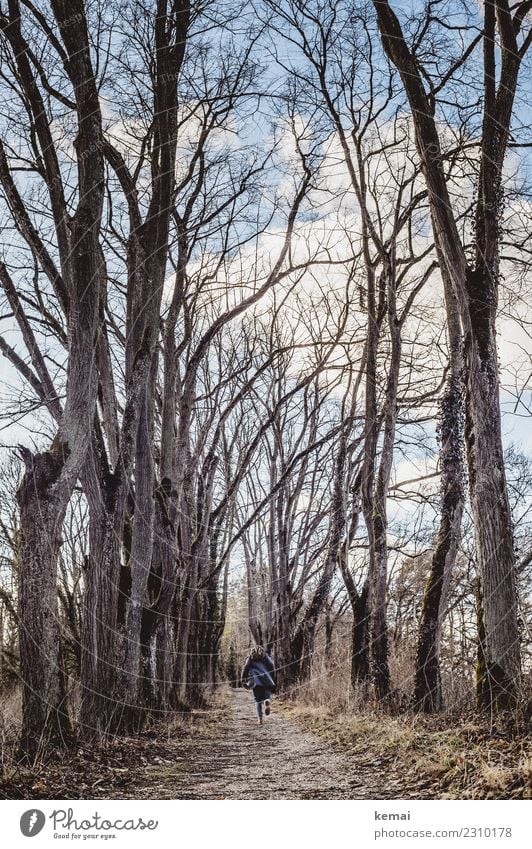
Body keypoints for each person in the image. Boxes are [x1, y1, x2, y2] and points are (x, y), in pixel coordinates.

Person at [241, 646, 276, 725]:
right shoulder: (266, 657)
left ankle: (260, 719)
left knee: (257, 700)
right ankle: (267, 701)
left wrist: (243, 679)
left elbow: (245, 668)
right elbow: (271, 666)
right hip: (266, 679)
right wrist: (272, 677)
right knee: (267, 696)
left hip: (256, 681)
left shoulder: (250, 658)